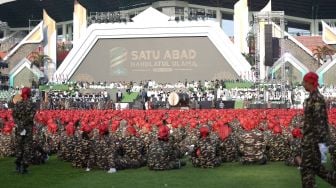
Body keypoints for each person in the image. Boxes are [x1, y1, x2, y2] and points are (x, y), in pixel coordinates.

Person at [300, 72, 336, 188]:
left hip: (313, 142)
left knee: (308, 169)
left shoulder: (316, 100)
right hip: (310, 141)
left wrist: (320, 144)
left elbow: (319, 123)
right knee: (314, 168)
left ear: (310, 82)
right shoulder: (312, 98)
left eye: (304, 81)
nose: (303, 84)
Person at [12, 87, 37, 174]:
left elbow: (14, 116)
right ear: (29, 94)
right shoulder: (32, 104)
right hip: (28, 128)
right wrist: (24, 125)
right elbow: (31, 117)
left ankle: (17, 166)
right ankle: (24, 167)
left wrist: (20, 124)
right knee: (27, 147)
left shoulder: (18, 104)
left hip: (19, 128)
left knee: (19, 147)